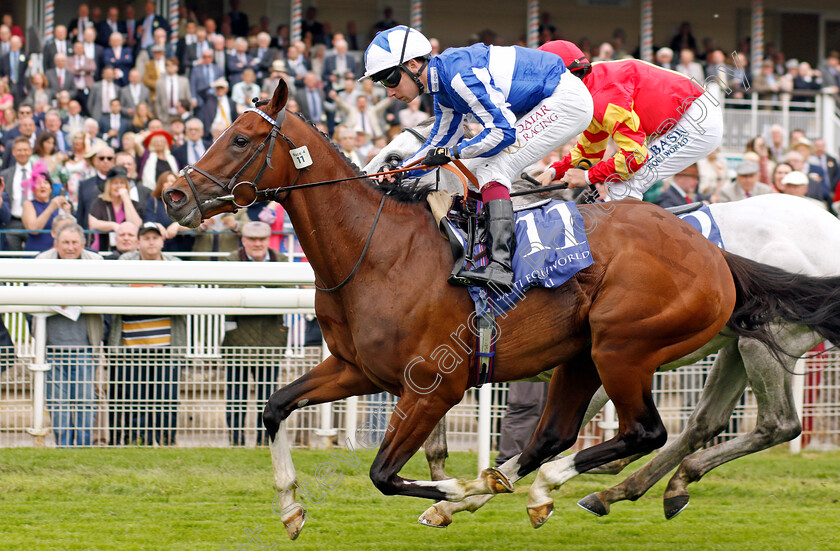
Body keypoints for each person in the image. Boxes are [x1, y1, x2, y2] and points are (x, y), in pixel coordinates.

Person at [364, 27, 593, 289]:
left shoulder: (459, 75)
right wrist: (402, 170)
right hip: (547, 100)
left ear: (413, 64)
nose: (389, 92)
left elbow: (502, 132)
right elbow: (439, 141)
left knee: (491, 167)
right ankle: (481, 253)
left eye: (390, 79)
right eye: (382, 83)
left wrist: (453, 153)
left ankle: (501, 265)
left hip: (565, 101)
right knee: (472, 170)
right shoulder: (443, 88)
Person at [536, 41, 724, 205]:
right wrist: (554, 171)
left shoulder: (603, 99)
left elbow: (634, 156)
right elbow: (589, 150)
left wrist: (586, 177)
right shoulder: (592, 86)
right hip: (689, 115)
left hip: (696, 121)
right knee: (619, 182)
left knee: (622, 183)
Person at [109, 221, 183, 445]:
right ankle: (136, 440)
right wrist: (159, 293)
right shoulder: (125, 261)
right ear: (138, 242)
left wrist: (143, 292)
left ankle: (166, 440)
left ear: (163, 240)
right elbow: (118, 292)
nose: (151, 241)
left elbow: (184, 293)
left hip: (167, 347)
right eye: (146, 238)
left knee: (166, 399)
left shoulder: (176, 263)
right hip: (131, 346)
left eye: (155, 237)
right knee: (133, 398)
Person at [35, 223, 104, 446]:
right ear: (56, 243)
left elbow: (102, 293)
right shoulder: (41, 262)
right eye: (65, 242)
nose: (70, 247)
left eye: (75, 243)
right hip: (52, 348)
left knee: (85, 402)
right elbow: (34, 294)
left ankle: (83, 447)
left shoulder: (95, 262)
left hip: (84, 347)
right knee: (57, 404)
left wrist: (62, 292)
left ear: (83, 245)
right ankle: (63, 446)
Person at [222, 221, 288, 446]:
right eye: (252, 239)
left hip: (271, 339)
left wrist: (250, 289)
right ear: (244, 240)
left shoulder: (282, 259)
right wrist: (267, 288)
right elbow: (227, 290)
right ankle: (236, 441)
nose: (257, 244)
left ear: (268, 240)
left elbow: (287, 295)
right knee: (235, 396)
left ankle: (264, 441)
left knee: (268, 397)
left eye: (261, 239)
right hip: (237, 338)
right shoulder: (230, 259)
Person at [88, 166, 144, 251]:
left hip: (129, 250)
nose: (119, 186)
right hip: (103, 249)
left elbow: (136, 225)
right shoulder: (100, 203)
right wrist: (113, 225)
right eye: (115, 183)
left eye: (122, 183)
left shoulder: (133, 204)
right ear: (109, 186)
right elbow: (93, 223)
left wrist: (125, 198)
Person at [22, 160, 74, 252]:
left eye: (46, 183)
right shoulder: (28, 204)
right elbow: (33, 229)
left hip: (55, 252)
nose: (42, 186)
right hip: (35, 251)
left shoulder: (58, 206)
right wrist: (51, 207)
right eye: (38, 183)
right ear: (33, 188)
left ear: (51, 188)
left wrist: (67, 212)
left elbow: (70, 232)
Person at [0, 137, 35, 250]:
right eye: (19, 150)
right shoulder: (5, 174)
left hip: (34, 223)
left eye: (25, 150)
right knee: (11, 258)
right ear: (14, 152)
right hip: (12, 222)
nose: (22, 153)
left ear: (30, 151)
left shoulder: (39, 172)